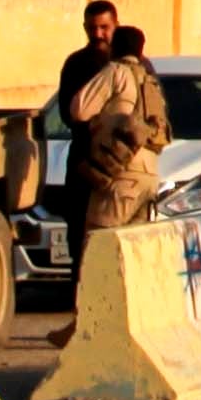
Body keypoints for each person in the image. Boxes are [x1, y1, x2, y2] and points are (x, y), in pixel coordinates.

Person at [62, 22, 172, 240]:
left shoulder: (116, 72)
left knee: (100, 246)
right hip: (148, 178)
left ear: (114, 47)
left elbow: (79, 110)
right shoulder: (150, 81)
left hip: (120, 174)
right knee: (132, 250)